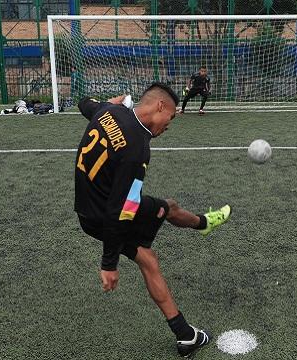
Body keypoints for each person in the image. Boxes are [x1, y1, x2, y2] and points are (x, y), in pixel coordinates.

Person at [74, 83, 231, 358]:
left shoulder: (108, 112)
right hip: (104, 214)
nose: (168, 126)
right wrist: (109, 263)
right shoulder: (137, 150)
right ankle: (185, 334)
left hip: (91, 206)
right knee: (149, 258)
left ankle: (204, 225)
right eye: (169, 118)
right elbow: (122, 210)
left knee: (166, 208)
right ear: (159, 106)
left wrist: (107, 103)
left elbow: (84, 103)